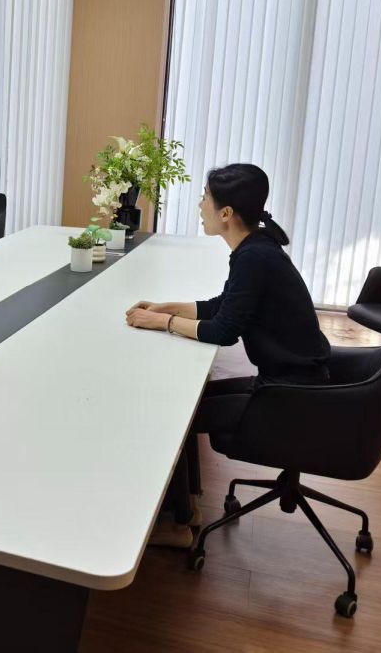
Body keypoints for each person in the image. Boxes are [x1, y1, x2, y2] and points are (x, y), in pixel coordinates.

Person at [125, 163, 330, 546]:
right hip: (294, 379)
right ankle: (185, 505)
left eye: (205, 197)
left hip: (290, 395)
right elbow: (226, 305)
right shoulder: (257, 248)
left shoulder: (254, 257)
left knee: (177, 416)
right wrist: (167, 307)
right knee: (193, 400)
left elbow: (223, 331)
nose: (200, 204)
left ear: (226, 213)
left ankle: (178, 525)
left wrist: (162, 323)